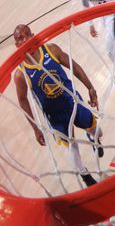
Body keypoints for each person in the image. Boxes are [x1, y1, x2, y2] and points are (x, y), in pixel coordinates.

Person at [13, 24, 103, 188]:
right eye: (20, 38)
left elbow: (74, 66)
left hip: (73, 103)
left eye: (27, 35)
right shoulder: (20, 73)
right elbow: (22, 100)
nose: (25, 39)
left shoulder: (51, 50)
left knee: (97, 130)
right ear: (16, 45)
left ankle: (93, 137)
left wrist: (90, 87)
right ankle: (85, 175)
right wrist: (35, 128)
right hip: (55, 116)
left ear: (34, 36)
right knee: (71, 146)